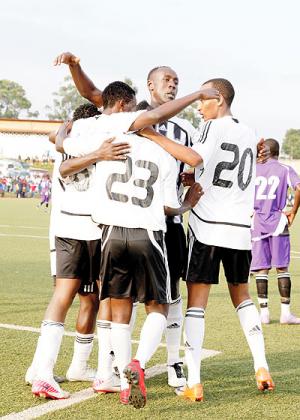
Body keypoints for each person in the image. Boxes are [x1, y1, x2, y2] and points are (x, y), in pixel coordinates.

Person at [57, 80, 217, 408]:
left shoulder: (108, 141)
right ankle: (137, 364)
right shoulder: (164, 152)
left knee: (118, 306)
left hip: (111, 233)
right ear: (152, 124)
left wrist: (63, 136)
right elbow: (168, 205)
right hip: (147, 233)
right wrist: (187, 205)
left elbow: (65, 151)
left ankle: (121, 374)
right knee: (158, 305)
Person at [138, 78, 275, 402]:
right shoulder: (250, 132)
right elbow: (217, 169)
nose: (199, 107)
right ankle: (261, 365)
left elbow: (197, 158)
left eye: (204, 100)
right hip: (240, 227)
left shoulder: (212, 128)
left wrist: (153, 134)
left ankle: (194, 381)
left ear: (219, 100)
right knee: (242, 296)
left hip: (208, 226)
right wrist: (195, 176)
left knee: (197, 303)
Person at [29, 103, 130, 400]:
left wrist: (63, 132)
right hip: (92, 230)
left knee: (75, 298)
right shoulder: (95, 142)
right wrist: (98, 153)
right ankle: (100, 372)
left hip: (64, 229)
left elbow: (58, 143)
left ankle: (43, 370)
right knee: (104, 298)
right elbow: (65, 165)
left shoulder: (66, 140)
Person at [250, 138, 300, 324]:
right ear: (278, 152)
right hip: (278, 221)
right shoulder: (284, 169)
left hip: (257, 222)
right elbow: (299, 188)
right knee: (282, 267)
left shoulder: (253, 169)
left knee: (261, 268)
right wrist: (293, 211)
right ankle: (285, 314)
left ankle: (264, 314)